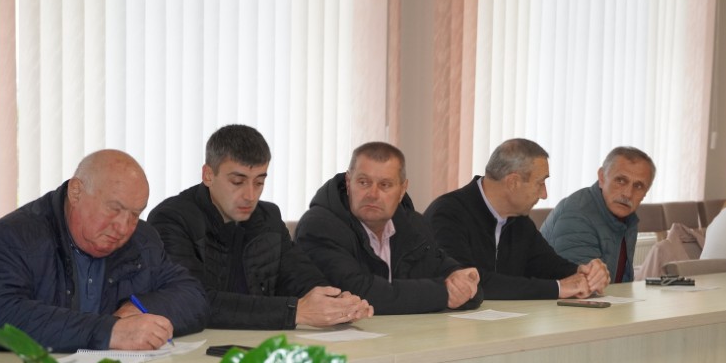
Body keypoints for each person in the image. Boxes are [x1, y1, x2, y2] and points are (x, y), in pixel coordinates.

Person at [0, 149, 209, 353]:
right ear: (76, 192)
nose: (124, 227)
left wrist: (138, 307)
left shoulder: (142, 240)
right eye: (114, 208)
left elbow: (193, 297)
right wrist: (110, 331)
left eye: (135, 214)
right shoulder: (11, 236)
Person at [147, 124, 373, 330]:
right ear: (208, 175)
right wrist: (295, 312)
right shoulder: (171, 219)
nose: (250, 195)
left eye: (259, 182)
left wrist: (338, 304)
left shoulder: (268, 218)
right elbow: (192, 301)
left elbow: (302, 278)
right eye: (237, 182)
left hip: (261, 345)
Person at [294, 142, 482, 314]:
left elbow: (468, 284)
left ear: (402, 190)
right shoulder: (319, 226)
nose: (373, 194)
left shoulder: (414, 225)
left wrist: (463, 285)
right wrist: (444, 293)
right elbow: (359, 292)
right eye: (363, 182)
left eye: (385, 185)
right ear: (348, 183)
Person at [423, 138, 610, 299]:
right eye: (540, 183)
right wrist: (558, 288)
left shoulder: (518, 220)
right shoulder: (447, 214)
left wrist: (586, 274)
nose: (544, 194)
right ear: (513, 182)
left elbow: (549, 266)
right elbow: (468, 282)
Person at [540, 146, 656, 283]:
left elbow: (621, 283)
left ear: (646, 192)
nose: (628, 194)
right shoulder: (576, 216)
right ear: (602, 177)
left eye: (638, 186)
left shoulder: (627, 218)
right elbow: (584, 286)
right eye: (620, 180)